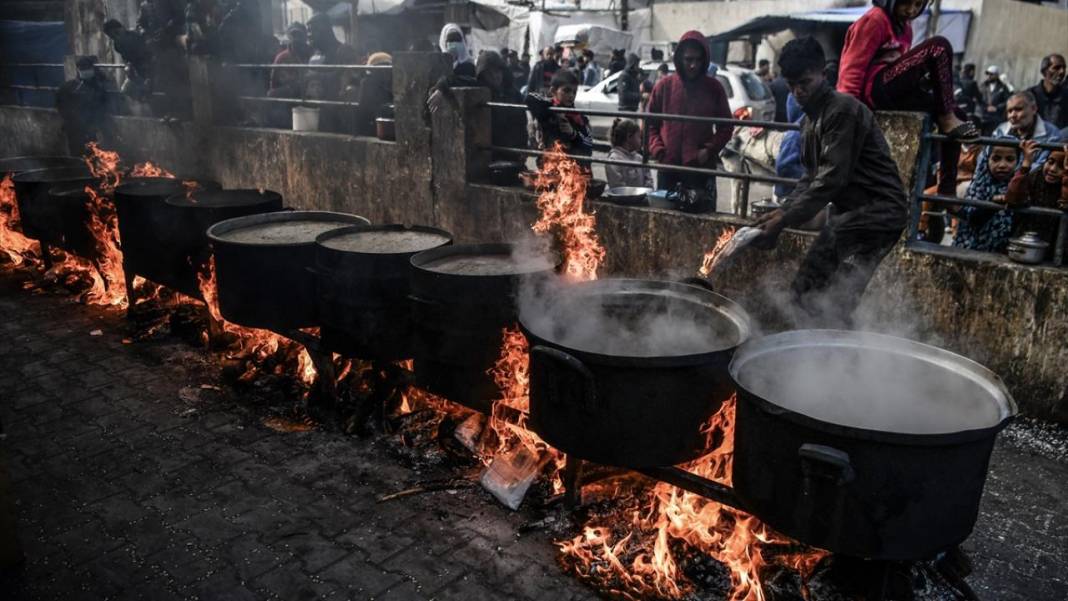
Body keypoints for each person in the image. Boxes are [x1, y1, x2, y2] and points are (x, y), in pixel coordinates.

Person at [751, 37, 907, 328]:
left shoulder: (842, 111)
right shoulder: (810, 122)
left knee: (829, 298)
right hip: (850, 217)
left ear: (823, 74)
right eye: (792, 85)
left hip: (878, 215)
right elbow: (809, 179)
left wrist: (783, 219)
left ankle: (838, 351)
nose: (798, 92)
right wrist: (780, 213)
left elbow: (831, 179)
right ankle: (823, 347)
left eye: (805, 82)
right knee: (809, 292)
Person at [837, 0, 978, 200]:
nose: (911, 10)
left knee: (959, 114)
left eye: (918, 5)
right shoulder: (875, 20)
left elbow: (902, 67)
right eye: (906, 3)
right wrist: (850, 114)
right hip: (874, 91)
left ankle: (947, 189)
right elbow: (851, 69)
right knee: (938, 46)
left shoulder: (905, 28)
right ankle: (947, 117)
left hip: (893, 91)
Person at [646, 31, 733, 213]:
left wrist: (708, 150)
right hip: (668, 168)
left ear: (705, 60)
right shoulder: (663, 86)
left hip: (700, 169)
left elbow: (726, 127)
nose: (693, 65)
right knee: (665, 220)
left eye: (698, 60)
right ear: (679, 59)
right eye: (688, 59)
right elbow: (649, 124)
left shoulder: (714, 88)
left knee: (702, 220)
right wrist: (658, 150)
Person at [951, 143, 1020, 253]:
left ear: (1018, 161)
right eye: (996, 159)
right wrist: (993, 204)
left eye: (1010, 159)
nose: (1002, 165)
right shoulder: (979, 185)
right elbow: (973, 218)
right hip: (972, 249)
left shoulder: (1019, 187)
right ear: (986, 159)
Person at [1005, 141, 1068, 254]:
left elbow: (1065, 203)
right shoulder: (1037, 175)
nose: (1053, 169)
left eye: (1061, 166)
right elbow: (1013, 198)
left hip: (1058, 248)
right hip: (1027, 241)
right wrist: (1026, 164)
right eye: (1050, 162)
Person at [305, 13, 360, 132]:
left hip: (340, 115)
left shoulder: (345, 51)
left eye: (313, 30)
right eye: (308, 31)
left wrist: (317, 76)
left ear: (325, 30)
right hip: (319, 113)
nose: (309, 35)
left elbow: (349, 78)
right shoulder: (315, 55)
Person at [526, 69, 593, 162]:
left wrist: (573, 134)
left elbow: (589, 145)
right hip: (548, 163)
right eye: (566, 91)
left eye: (574, 92)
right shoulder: (547, 108)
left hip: (572, 165)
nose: (571, 95)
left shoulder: (580, 118)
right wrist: (556, 111)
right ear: (553, 91)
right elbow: (530, 98)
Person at [987, 91, 1062, 171]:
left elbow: (1041, 167)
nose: (1013, 115)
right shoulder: (1000, 130)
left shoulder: (1052, 135)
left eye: (1018, 109)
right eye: (1009, 111)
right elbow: (987, 160)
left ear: (1034, 109)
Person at [476, 51, 527, 161]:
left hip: (513, 150)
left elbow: (522, 122)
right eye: (489, 73)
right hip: (491, 152)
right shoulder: (480, 93)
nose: (495, 76)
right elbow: (460, 81)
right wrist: (443, 84)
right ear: (482, 75)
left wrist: (523, 147)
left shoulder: (514, 93)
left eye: (497, 71)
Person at [56, 57, 113, 154]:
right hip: (74, 127)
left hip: (90, 127)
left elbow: (103, 106)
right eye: (82, 68)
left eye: (87, 68)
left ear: (92, 69)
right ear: (78, 70)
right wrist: (70, 118)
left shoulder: (98, 86)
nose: (85, 71)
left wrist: (98, 124)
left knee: (92, 152)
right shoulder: (69, 87)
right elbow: (60, 105)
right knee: (77, 152)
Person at [103, 19, 154, 101]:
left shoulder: (136, 36)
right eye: (112, 37)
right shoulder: (117, 45)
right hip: (137, 72)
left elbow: (149, 56)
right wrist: (128, 66)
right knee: (126, 90)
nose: (116, 37)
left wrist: (147, 76)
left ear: (122, 28)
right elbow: (126, 59)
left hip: (151, 69)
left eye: (117, 33)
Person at [354, 52, 393, 137]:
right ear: (373, 70)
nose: (385, 72)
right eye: (381, 68)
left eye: (387, 68)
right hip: (373, 126)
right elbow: (363, 111)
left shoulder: (394, 83)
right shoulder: (367, 84)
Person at [268, 23, 312, 99]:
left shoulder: (313, 55)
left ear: (305, 37)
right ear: (289, 37)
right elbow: (273, 87)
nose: (297, 39)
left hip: (311, 96)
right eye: (293, 35)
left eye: (299, 35)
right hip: (290, 99)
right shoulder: (281, 58)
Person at [605, 118, 652, 189]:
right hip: (625, 196)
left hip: (643, 195)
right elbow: (618, 187)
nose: (641, 140)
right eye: (638, 136)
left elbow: (648, 179)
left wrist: (647, 190)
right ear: (629, 137)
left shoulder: (639, 158)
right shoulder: (614, 160)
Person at [1028, 54, 1067, 130]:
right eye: (1056, 68)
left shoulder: (1066, 96)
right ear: (1044, 71)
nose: (1062, 72)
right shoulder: (1029, 96)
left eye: (1064, 68)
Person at [980, 65, 1011, 135]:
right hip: (984, 116)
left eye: (991, 74)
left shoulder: (1003, 87)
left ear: (996, 75)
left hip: (996, 117)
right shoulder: (983, 86)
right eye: (988, 74)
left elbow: (1007, 100)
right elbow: (979, 99)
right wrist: (985, 108)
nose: (989, 76)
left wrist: (997, 108)